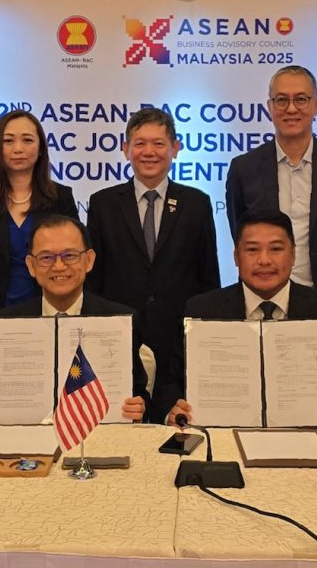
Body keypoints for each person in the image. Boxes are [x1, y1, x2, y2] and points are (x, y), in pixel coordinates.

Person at [86, 108, 220, 424]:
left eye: (159, 144)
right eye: (140, 143)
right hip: (120, 336)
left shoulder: (196, 203)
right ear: (125, 149)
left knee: (175, 425)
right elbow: (94, 279)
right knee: (124, 424)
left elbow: (208, 278)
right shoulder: (103, 203)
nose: (149, 152)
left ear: (175, 148)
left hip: (177, 338)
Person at [172, 209, 317, 426]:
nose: (264, 260)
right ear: (236, 256)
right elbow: (172, 383)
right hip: (222, 438)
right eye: (252, 250)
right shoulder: (201, 310)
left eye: (276, 249)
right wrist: (174, 409)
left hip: (311, 437)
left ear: (293, 255)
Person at [0, 215, 148, 424]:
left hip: (101, 444)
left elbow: (140, 394)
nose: (59, 266)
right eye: (46, 258)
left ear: (89, 260)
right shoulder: (1, 326)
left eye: (69, 255)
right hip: (27, 448)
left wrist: (138, 407)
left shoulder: (120, 321)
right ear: (31, 265)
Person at [225, 65, 317, 302]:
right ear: (269, 107)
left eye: (301, 99)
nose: (291, 108)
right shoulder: (243, 168)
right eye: (281, 100)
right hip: (261, 300)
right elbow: (241, 236)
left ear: (316, 106)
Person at [0, 110, 78, 380]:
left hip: (51, 318)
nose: (18, 149)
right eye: (9, 141)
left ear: (40, 148)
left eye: (27, 140)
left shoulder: (61, 198)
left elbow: (75, 259)